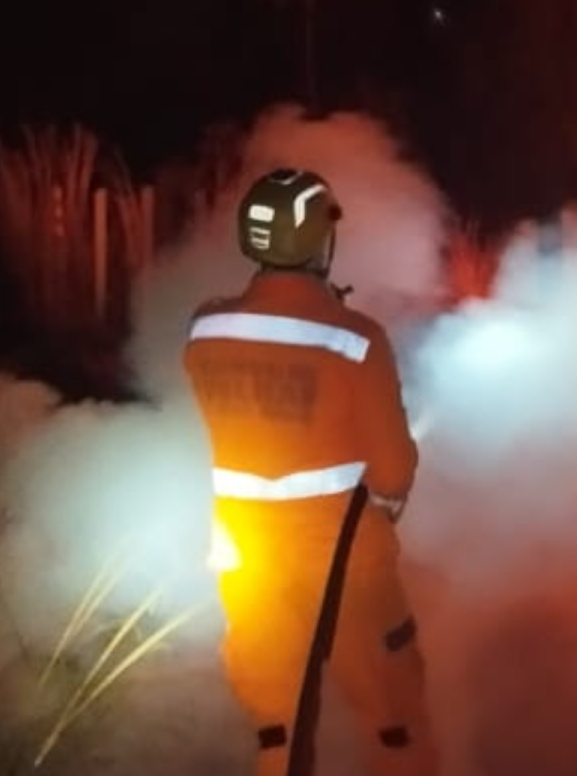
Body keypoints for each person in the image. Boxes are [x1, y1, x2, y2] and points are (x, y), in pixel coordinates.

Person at [183, 167, 437, 776]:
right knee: (393, 719)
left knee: (278, 727)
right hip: (345, 560)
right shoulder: (355, 340)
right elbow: (394, 472)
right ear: (317, 243)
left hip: (246, 560)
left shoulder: (205, 329)